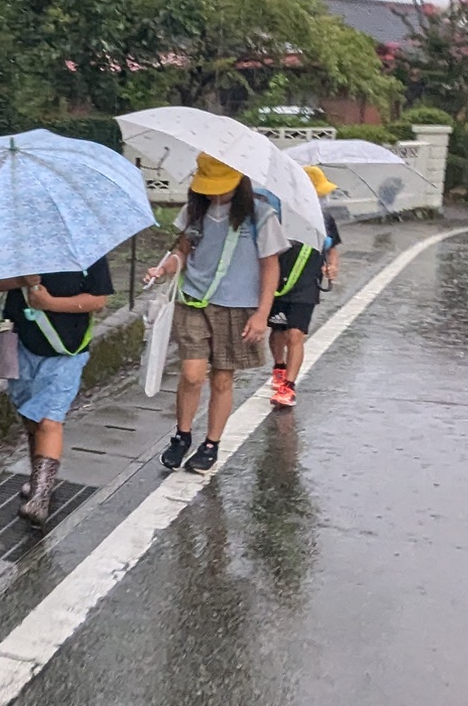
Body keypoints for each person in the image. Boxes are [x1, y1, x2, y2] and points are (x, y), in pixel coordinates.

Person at [143, 156, 283, 474]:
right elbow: (182, 251)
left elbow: (270, 265)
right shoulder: (195, 210)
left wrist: (262, 314)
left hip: (237, 307)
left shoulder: (260, 214)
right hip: (193, 301)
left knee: (222, 378)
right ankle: (182, 435)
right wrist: (163, 269)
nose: (215, 194)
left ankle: (211, 444)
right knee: (192, 374)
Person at [0, 254, 112, 525]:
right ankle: (38, 479)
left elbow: (98, 300)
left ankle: (40, 497)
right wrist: (21, 280)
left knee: (49, 420)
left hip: (66, 350)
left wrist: (49, 303)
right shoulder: (18, 245)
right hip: (20, 344)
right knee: (30, 417)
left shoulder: (86, 249)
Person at [267, 164, 343, 409]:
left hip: (307, 285)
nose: (323, 199)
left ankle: (288, 387)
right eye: (318, 194)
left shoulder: (326, 219)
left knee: (296, 334)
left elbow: (332, 250)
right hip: (279, 282)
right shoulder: (278, 216)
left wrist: (332, 267)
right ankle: (279, 366)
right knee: (278, 331)